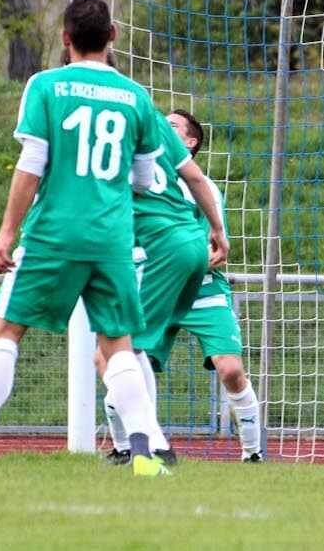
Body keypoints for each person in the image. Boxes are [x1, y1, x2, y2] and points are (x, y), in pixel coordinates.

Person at [0, 0, 228, 476]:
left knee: (5, 331)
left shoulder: (45, 85)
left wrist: (5, 233)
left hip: (54, 233)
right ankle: (146, 457)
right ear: (112, 37)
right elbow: (145, 180)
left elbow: (31, 164)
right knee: (118, 342)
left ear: (65, 39)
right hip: (113, 238)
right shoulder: (136, 97)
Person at [97, 108, 245, 464]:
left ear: (190, 142)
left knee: (122, 348)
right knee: (113, 354)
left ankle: (151, 445)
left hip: (188, 277)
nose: (163, 125)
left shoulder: (186, 178)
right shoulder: (144, 158)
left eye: (173, 124)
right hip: (157, 261)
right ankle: (127, 446)